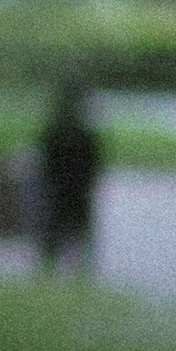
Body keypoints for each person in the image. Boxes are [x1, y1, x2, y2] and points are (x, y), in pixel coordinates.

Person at [35, 81, 103, 272]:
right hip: (77, 185)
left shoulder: (56, 128)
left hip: (58, 185)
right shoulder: (85, 130)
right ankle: (78, 266)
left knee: (54, 224)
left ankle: (49, 265)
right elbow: (94, 160)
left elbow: (46, 157)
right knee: (77, 228)